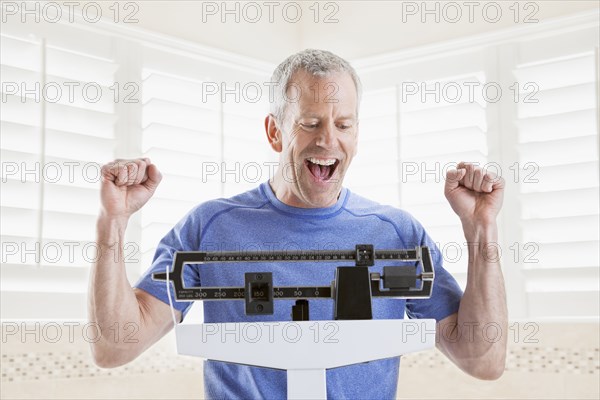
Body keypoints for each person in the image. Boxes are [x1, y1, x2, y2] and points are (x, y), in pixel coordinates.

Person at [89, 49, 507, 398]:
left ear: (356, 133)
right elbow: (114, 346)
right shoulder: (210, 227)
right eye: (310, 123)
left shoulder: (396, 234)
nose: (328, 140)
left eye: (343, 124)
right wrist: (114, 221)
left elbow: (482, 359)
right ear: (275, 131)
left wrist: (480, 230)